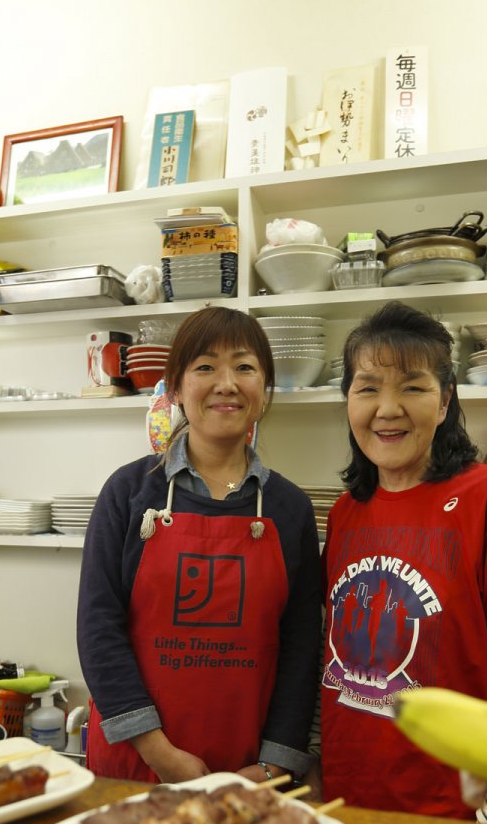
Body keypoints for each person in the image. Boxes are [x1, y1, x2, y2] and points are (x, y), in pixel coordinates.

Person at [316, 300, 487, 818]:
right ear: (347, 400)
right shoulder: (346, 512)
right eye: (367, 388)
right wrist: (315, 757)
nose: (387, 409)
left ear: (446, 398)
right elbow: (331, 651)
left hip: (452, 804)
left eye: (412, 386)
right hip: (346, 788)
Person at [77, 306, 321, 786]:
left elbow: (301, 646)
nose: (226, 383)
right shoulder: (128, 493)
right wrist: (158, 751)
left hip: (247, 766)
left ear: (264, 390)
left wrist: (274, 763)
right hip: (136, 763)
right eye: (205, 366)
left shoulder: (289, 508)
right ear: (175, 388)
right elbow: (98, 628)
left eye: (245, 367)